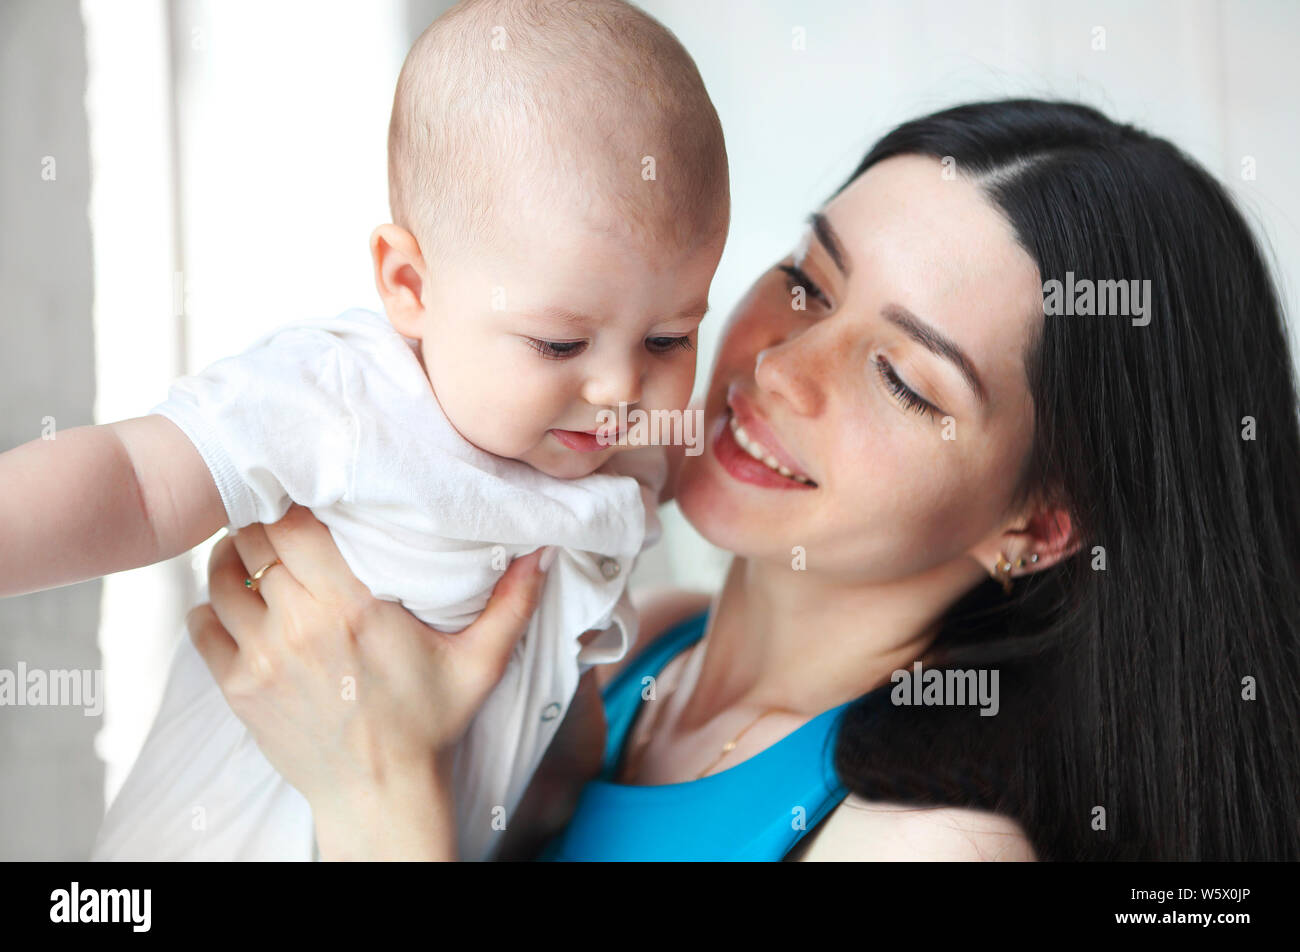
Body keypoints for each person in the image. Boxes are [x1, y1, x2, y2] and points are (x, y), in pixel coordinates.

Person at [187, 98, 1300, 861]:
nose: (778, 366)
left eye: (904, 380)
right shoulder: (638, 654)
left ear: (1041, 524)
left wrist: (376, 794)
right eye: (810, 285)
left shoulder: (923, 844)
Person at [0, 0, 730, 862]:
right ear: (411, 284)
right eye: (559, 342)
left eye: (670, 337)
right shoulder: (345, 395)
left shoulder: (623, 447)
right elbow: (137, 478)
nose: (619, 388)